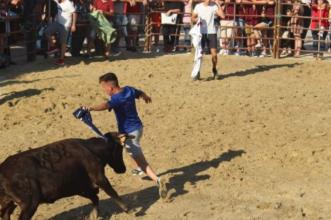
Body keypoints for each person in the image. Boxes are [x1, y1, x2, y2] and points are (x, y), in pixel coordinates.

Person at [84, 72, 167, 199]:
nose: (104, 91)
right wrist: (146, 97)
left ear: (110, 87)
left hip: (130, 133)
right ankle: (138, 168)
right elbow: (139, 93)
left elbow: (105, 105)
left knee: (142, 161)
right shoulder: (128, 89)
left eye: (104, 88)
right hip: (138, 128)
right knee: (127, 148)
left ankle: (157, 180)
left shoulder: (116, 99)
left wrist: (91, 108)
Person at [191, 0, 224, 80]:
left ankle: (214, 69)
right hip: (201, 33)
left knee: (214, 55)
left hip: (212, 32)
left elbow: (223, 16)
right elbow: (192, 18)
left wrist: (218, 4)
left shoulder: (214, 6)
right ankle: (197, 71)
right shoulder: (198, 6)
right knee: (199, 54)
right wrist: (197, 20)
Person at [45, 0, 76, 65]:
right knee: (47, 32)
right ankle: (53, 47)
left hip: (65, 25)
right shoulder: (58, 1)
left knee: (63, 42)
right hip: (58, 23)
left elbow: (74, 13)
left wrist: (73, 25)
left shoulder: (68, 3)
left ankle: (61, 59)